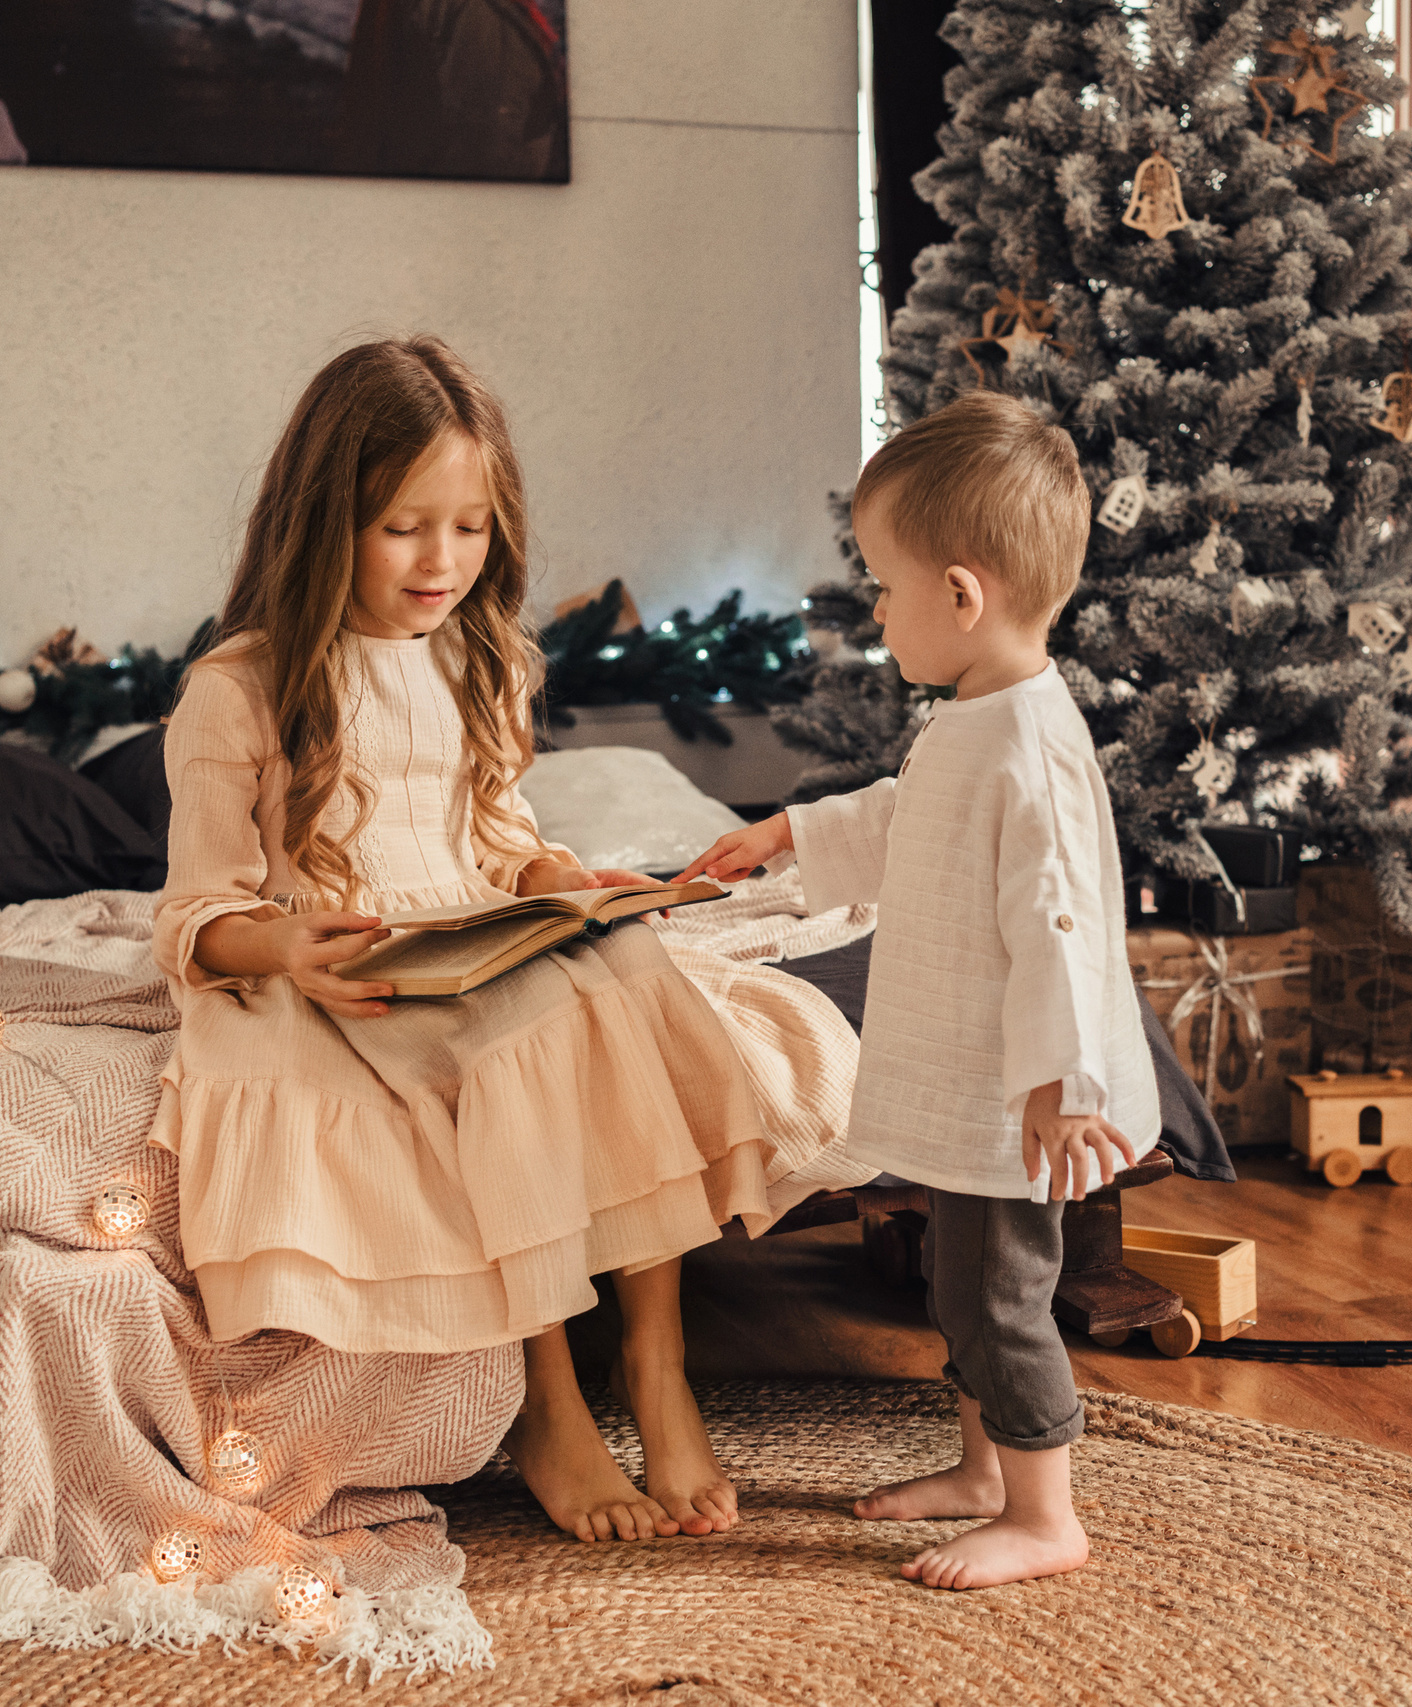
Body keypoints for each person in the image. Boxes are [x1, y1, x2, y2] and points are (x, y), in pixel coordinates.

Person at [150, 336, 863, 1544]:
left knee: (630, 974)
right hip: (352, 967)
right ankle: (548, 1396)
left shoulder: (481, 656)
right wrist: (286, 951)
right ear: (327, 520)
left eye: (471, 527)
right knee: (518, 1045)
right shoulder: (242, 686)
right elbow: (196, 914)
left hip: (480, 931)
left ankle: (657, 1362)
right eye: (404, 528)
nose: (444, 562)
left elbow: (496, 830)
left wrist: (557, 879)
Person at [675, 390, 1160, 1590]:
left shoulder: (1024, 747)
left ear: (961, 596)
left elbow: (1053, 928)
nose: (876, 614)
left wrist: (1058, 1082)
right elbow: (915, 820)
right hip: (976, 1076)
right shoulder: (978, 718)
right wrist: (793, 831)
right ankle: (986, 1472)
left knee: (1002, 1295)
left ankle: (1045, 1512)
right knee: (958, 1277)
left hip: (1020, 1092)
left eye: (884, 591)